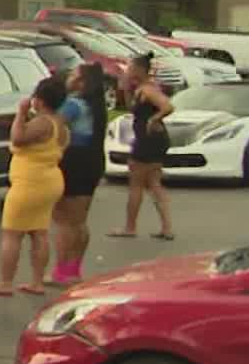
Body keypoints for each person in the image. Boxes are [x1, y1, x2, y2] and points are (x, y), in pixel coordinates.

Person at [0, 76, 69, 297]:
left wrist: (21, 114)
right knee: (39, 232)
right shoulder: (59, 123)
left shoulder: (42, 122)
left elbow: (18, 137)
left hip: (30, 182)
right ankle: (37, 281)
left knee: (12, 234)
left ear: (39, 100)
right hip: (49, 179)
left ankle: (5, 282)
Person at [52, 63, 108, 286]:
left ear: (81, 82)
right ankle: (73, 267)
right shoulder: (96, 107)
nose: (68, 76)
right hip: (92, 161)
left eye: (73, 74)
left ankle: (62, 269)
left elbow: (54, 125)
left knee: (64, 220)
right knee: (79, 221)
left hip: (73, 162)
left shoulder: (73, 104)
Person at [110, 54, 176, 241]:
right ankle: (166, 227)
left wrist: (154, 119)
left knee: (137, 183)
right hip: (152, 139)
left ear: (139, 70)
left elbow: (168, 106)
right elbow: (134, 110)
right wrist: (125, 89)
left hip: (149, 140)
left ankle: (130, 227)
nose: (128, 71)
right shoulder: (141, 90)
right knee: (154, 183)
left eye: (130, 68)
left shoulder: (148, 89)